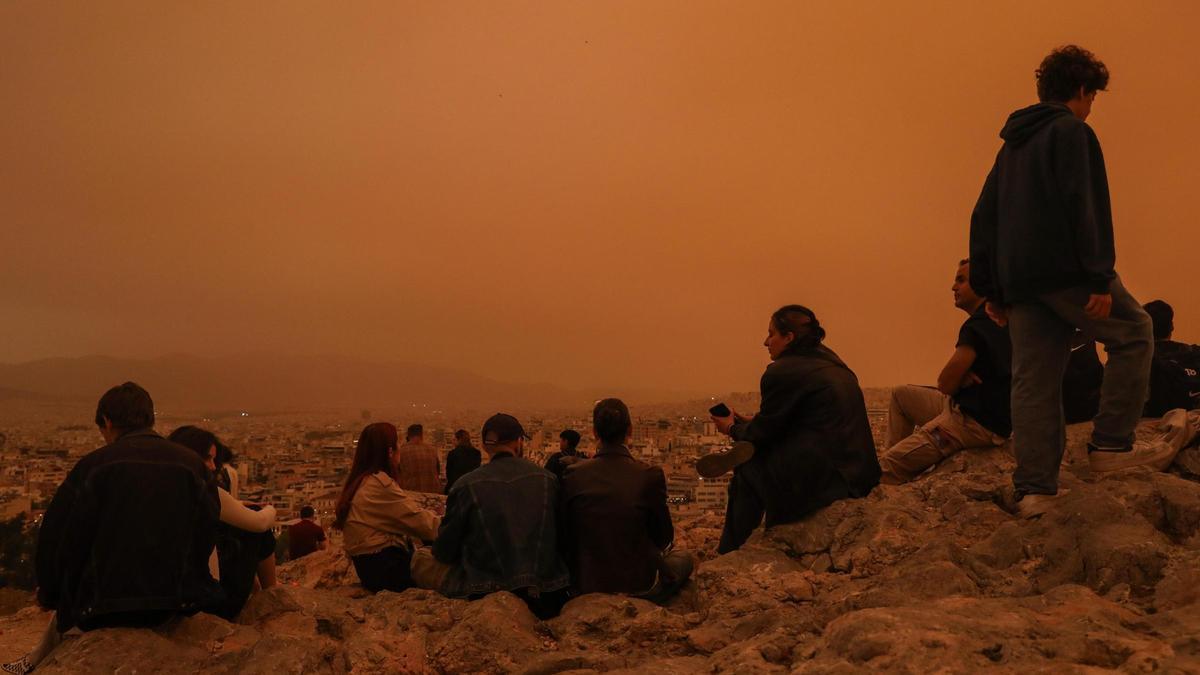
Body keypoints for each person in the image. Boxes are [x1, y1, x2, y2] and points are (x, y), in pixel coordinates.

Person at [969, 45, 1154, 516]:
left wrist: (991, 288)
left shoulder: (1012, 145)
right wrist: (1098, 276)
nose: (1092, 106)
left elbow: (983, 214)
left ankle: (1035, 490)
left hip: (1020, 282)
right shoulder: (1072, 132)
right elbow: (1085, 206)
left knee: (1033, 380)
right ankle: (1111, 446)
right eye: (1093, 96)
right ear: (1080, 89)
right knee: (1135, 333)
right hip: (1066, 272)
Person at [7, 383, 221, 675]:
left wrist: (52, 594)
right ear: (149, 418)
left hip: (100, 607)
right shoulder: (193, 466)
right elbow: (205, 534)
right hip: (176, 603)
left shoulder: (94, 466)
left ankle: (30, 665)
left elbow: (56, 538)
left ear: (107, 421)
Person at [703, 306, 881, 553]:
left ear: (789, 338)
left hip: (829, 483)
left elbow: (764, 433)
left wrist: (732, 428)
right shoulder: (832, 362)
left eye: (771, 334)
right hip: (859, 477)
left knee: (748, 469)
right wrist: (750, 423)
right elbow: (792, 420)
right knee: (757, 450)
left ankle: (731, 550)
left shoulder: (781, 371)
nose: (765, 341)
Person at [411, 414, 570, 618]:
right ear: (519, 442)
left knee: (420, 558)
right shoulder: (548, 480)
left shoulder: (465, 485)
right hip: (545, 589)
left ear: (485, 447)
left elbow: (444, 551)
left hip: (482, 588)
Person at [879, 259, 1011, 483]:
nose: (953, 287)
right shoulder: (1003, 320)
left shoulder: (978, 327)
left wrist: (958, 378)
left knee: (886, 466)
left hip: (971, 423)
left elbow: (946, 384)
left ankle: (888, 482)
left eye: (961, 280)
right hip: (962, 408)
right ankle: (896, 462)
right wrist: (962, 376)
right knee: (902, 395)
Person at [559, 400, 692, 604]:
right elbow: (663, 537)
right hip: (639, 586)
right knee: (683, 559)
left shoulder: (573, 475)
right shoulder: (649, 476)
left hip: (586, 585)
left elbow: (566, 534)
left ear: (594, 432)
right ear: (629, 430)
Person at [168, 426, 277, 620]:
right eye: (207, 458)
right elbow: (259, 523)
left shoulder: (164, 489)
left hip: (169, 597)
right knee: (255, 526)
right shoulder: (205, 492)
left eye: (213, 459)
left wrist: (236, 505)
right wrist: (269, 509)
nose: (212, 466)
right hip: (206, 602)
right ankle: (272, 594)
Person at [335, 422, 440, 593]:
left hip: (370, 568)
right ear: (390, 451)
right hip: (388, 569)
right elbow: (420, 522)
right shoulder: (379, 485)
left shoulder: (360, 481)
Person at [1142, 300, 1200, 416]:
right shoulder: (1194, 352)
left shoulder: (1141, 357)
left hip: (1157, 418)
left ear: (1144, 328)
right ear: (1172, 326)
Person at [394, 423, 442, 494]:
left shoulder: (401, 451)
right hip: (433, 494)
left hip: (412, 495)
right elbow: (437, 471)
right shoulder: (432, 449)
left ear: (408, 436)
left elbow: (397, 475)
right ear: (421, 435)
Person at [443, 429, 481, 494]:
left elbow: (449, 473)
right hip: (471, 488)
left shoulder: (453, 453)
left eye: (454, 440)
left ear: (459, 440)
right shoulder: (476, 453)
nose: (453, 442)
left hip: (455, 487)